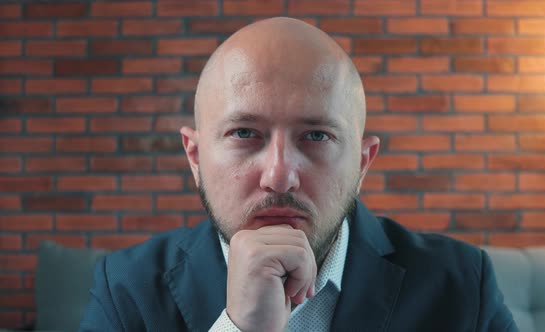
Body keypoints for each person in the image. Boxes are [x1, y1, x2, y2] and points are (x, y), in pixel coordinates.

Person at [79, 17, 518, 332]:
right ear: (195, 157)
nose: (280, 176)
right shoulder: (126, 290)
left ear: (363, 162)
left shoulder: (460, 285)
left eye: (316, 136)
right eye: (245, 132)